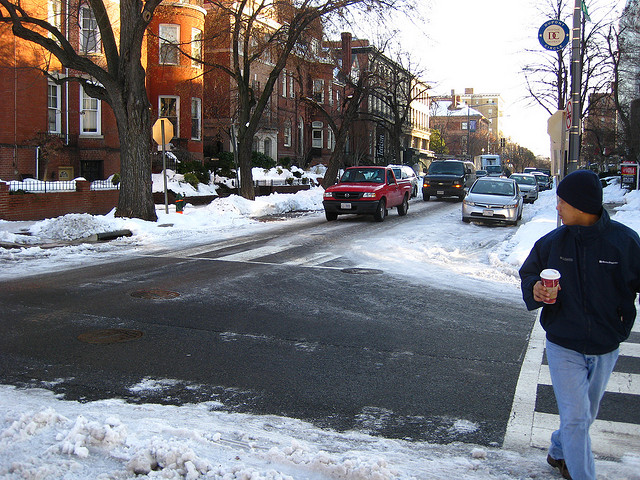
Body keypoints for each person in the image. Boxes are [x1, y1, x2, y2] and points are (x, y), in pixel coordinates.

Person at [519, 170, 640, 480]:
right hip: (563, 343)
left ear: (582, 205)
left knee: (584, 415)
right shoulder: (553, 243)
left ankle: (559, 450)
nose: (557, 206)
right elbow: (529, 273)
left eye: (562, 201)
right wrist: (536, 288)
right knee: (576, 417)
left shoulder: (625, 243)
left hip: (605, 344)